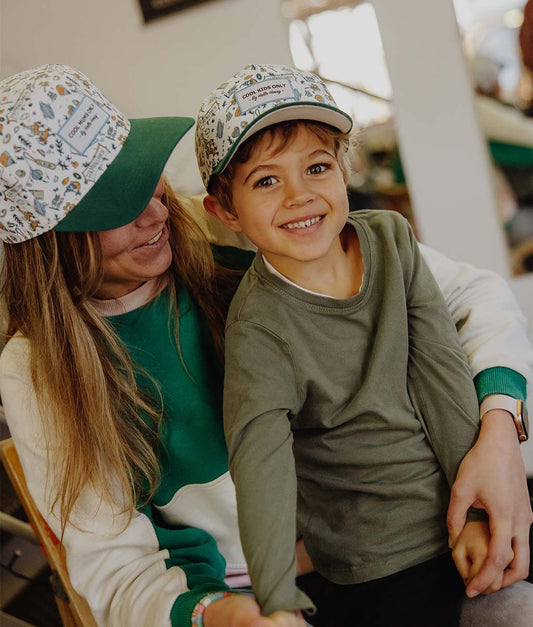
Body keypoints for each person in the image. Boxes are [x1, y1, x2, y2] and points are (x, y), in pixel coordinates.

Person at [0, 63, 530, 627]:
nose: (155, 213)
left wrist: (498, 439)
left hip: (410, 541)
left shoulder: (253, 233)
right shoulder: (36, 369)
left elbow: (472, 297)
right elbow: (116, 571)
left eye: (142, 175)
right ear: (48, 245)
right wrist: (229, 616)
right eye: (116, 206)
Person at [195, 64, 533, 625]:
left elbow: (439, 368)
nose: (300, 195)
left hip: (457, 510)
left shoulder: (391, 239)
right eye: (267, 180)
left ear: (344, 168)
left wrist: (474, 511)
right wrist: (277, 600)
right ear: (225, 211)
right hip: (372, 563)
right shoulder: (257, 329)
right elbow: (262, 469)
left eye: (318, 167)